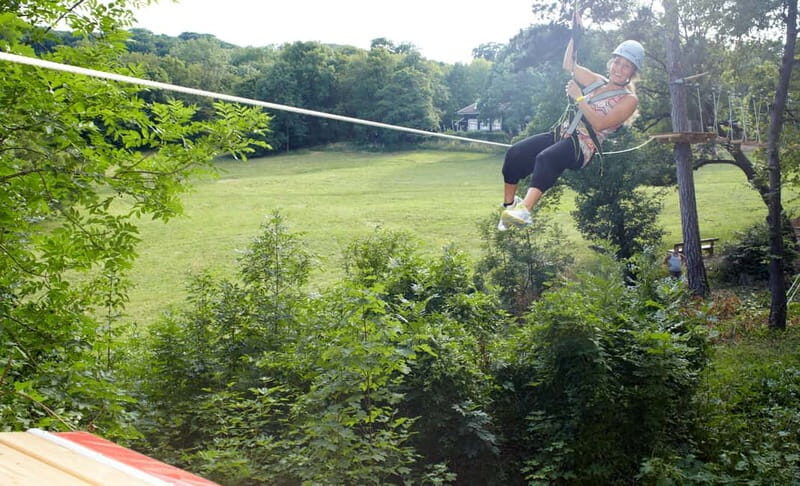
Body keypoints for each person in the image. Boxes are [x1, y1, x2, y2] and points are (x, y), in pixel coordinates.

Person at [498, 15, 644, 230]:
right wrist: (576, 34)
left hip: (582, 147)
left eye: (626, 66)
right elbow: (569, 64)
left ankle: (525, 211)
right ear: (612, 62)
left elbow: (601, 124)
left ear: (632, 73)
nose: (619, 69)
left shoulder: (628, 99)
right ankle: (510, 206)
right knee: (515, 154)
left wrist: (580, 98)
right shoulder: (596, 81)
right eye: (618, 62)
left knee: (546, 158)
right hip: (562, 134)